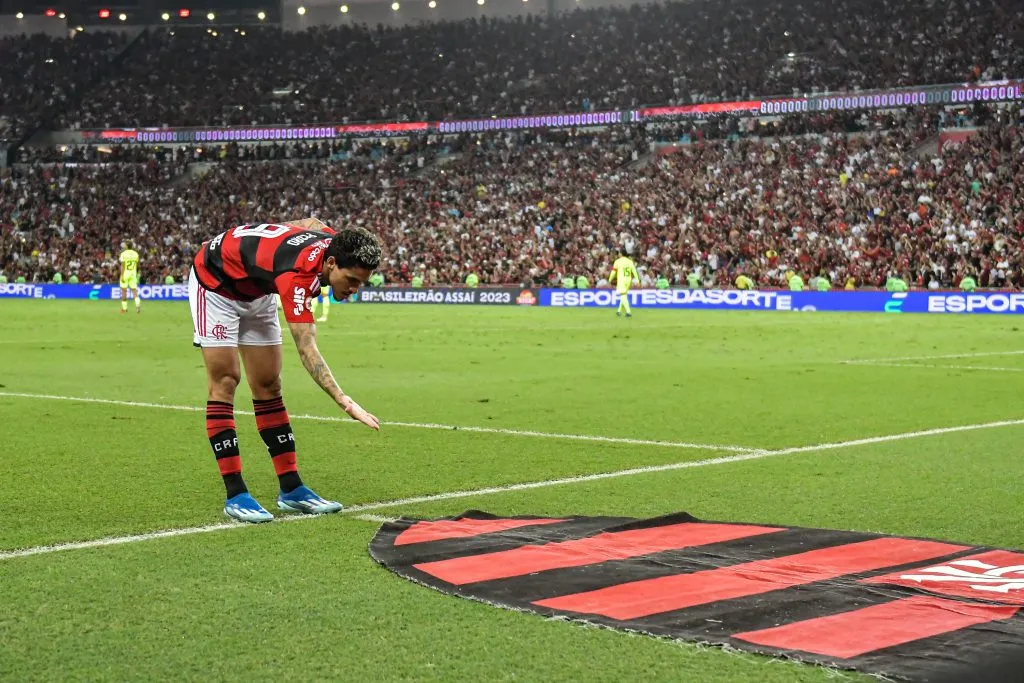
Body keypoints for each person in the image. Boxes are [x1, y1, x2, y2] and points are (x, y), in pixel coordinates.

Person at [189, 218, 382, 523]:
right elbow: (306, 347)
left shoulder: (333, 242)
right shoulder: (297, 276)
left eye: (362, 282)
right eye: (352, 280)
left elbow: (311, 222)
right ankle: (236, 494)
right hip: (216, 283)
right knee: (226, 380)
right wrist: (344, 400)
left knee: (268, 384)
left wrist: (266, 235)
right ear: (331, 264)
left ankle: (291, 489)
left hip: (258, 287)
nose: (355, 289)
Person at [608, 252, 639, 318]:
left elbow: (613, 272)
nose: (618, 254)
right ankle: (619, 311)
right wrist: (637, 280)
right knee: (624, 295)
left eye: (619, 253)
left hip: (622, 279)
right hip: (628, 280)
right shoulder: (630, 261)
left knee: (623, 295)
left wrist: (610, 279)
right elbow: (634, 270)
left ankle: (628, 312)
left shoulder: (618, 261)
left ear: (621, 254)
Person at [118, 243, 142, 314]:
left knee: (124, 291)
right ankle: (137, 306)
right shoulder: (136, 254)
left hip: (125, 274)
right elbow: (138, 265)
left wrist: (122, 276)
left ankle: (124, 309)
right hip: (133, 274)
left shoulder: (123, 254)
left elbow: (123, 266)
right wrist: (136, 273)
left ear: (126, 246)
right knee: (134, 291)